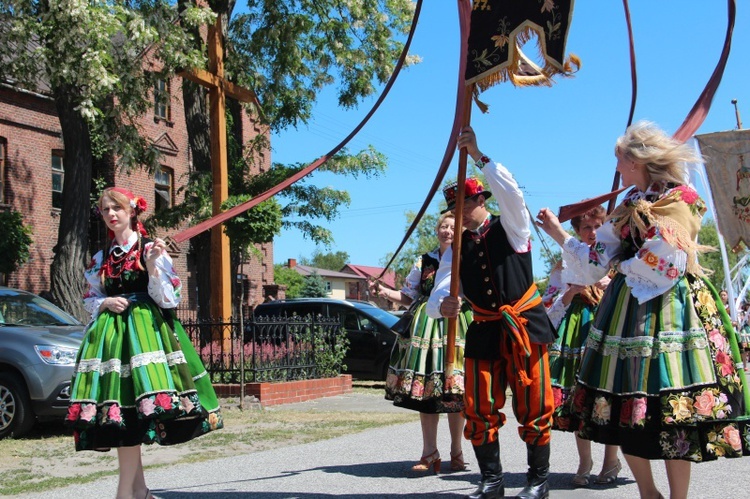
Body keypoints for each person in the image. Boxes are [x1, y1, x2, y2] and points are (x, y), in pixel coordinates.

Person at [536, 120, 750, 499]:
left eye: (620, 160)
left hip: (673, 307)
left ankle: (678, 497)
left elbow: (664, 261)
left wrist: (623, 263)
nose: (617, 168)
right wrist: (559, 233)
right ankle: (648, 493)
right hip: (626, 309)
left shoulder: (682, 198)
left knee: (674, 410)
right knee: (623, 408)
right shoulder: (627, 206)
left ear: (638, 161)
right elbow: (594, 263)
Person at [67, 187, 223, 499]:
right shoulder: (102, 257)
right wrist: (106, 302)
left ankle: (127, 494)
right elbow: (90, 298)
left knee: (131, 415)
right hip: (111, 342)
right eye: (106, 210)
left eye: (117, 208)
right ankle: (138, 492)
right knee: (122, 414)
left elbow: (168, 299)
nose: (111, 214)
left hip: (147, 337)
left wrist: (152, 266)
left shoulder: (150, 249)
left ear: (132, 211)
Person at [427, 126, 557, 499]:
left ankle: (538, 481)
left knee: (534, 403)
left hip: (525, 325)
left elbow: (512, 193)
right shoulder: (457, 246)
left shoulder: (513, 227)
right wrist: (443, 306)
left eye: (467, 204)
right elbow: (441, 291)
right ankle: (492, 480)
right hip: (484, 329)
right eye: (456, 208)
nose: (462, 212)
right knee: (478, 406)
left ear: (482, 200)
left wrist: (479, 154)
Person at [370, 212, 472, 473]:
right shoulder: (424, 261)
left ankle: (456, 452)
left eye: (452, 227)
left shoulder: (468, 258)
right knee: (427, 392)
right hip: (425, 328)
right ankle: (429, 453)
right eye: (443, 227)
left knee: (454, 393)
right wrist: (383, 291)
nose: (447, 231)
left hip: (456, 325)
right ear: (437, 231)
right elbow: (408, 296)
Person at [541, 205, 621, 487]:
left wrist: (609, 284)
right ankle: (585, 460)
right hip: (576, 329)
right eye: (586, 228)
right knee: (579, 394)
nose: (592, 232)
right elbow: (548, 304)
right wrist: (570, 291)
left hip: (609, 322)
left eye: (597, 226)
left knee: (609, 391)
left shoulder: (614, 257)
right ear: (576, 231)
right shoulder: (565, 262)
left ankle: (610, 459)